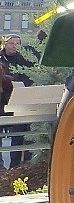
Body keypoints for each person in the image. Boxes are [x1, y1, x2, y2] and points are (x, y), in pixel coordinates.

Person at [0, 35, 36, 169]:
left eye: (17, 43)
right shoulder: (1, 59)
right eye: (11, 43)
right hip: (2, 101)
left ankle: (17, 166)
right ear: (5, 44)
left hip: (19, 103)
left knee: (19, 134)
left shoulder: (24, 59)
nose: (14, 45)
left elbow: (30, 76)